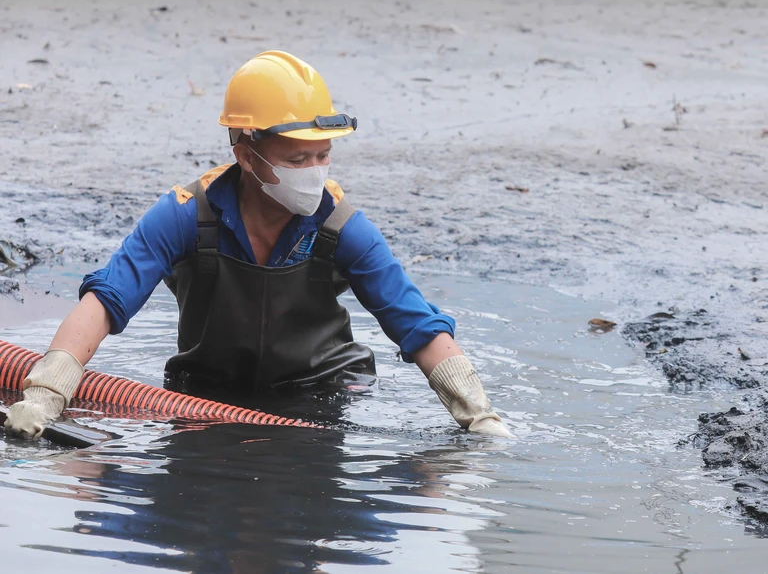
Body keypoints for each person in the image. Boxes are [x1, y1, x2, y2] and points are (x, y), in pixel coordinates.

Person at [4, 50, 511, 439]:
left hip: (323, 397)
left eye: (323, 156)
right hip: (204, 394)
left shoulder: (341, 226)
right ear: (247, 155)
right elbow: (107, 300)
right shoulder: (184, 215)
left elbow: (415, 322)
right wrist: (46, 393)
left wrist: (478, 414)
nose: (314, 174)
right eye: (296, 159)